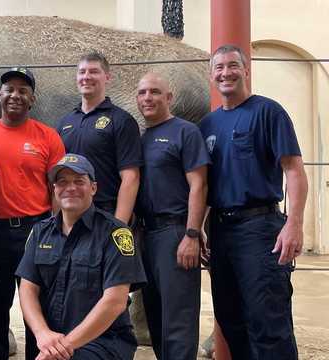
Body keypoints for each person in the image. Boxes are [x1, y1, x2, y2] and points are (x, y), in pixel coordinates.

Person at [200, 44, 308, 359]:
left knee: (268, 321)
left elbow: (295, 171)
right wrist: (200, 228)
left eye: (232, 65)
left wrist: (294, 224)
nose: (225, 73)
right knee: (231, 320)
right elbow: (207, 183)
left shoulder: (269, 112)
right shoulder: (208, 125)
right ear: (211, 75)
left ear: (245, 70)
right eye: (218, 67)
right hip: (221, 232)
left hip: (260, 230)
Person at [0, 67, 66, 360]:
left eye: (23, 91)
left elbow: (58, 189)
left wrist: (56, 229)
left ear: (32, 99)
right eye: (10, 89)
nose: (15, 95)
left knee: (37, 306)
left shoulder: (48, 137)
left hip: (36, 231)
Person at [17, 154, 147, 360]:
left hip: (102, 341)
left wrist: (64, 346)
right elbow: (27, 288)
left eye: (79, 181)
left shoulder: (116, 234)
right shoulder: (40, 232)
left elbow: (115, 301)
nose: (70, 188)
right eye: (62, 182)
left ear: (93, 188)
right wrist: (42, 334)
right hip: (50, 340)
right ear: (54, 189)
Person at [134, 73, 210, 359]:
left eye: (155, 92)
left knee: (178, 319)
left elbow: (199, 185)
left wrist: (192, 234)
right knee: (155, 316)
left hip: (175, 233)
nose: (147, 98)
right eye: (142, 93)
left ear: (169, 98)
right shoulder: (141, 138)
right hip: (146, 236)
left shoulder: (185, 132)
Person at [56, 51, 142, 223]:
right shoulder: (65, 122)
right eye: (82, 72)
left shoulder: (121, 120)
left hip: (105, 214)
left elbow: (131, 177)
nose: (86, 77)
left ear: (107, 77)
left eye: (93, 71)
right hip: (70, 214)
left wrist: (119, 226)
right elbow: (56, 176)